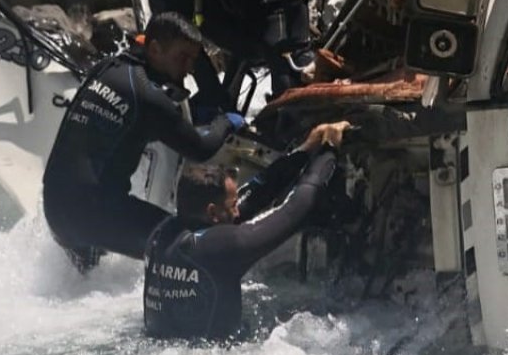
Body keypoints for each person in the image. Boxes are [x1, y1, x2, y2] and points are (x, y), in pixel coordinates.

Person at [42, 12, 246, 272]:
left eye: (193, 60)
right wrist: (225, 122)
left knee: (85, 286)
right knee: (188, 245)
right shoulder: (148, 97)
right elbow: (200, 148)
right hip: (92, 213)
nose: (189, 68)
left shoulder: (108, 68)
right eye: (182, 57)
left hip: (56, 208)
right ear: (154, 49)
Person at [143, 121, 352, 342]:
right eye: (232, 206)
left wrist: (306, 149)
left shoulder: (161, 234)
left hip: (165, 351)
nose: (237, 213)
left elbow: (253, 195)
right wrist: (329, 150)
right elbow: (296, 208)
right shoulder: (220, 248)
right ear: (212, 212)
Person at [147, 0, 315, 112]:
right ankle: (214, 102)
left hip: (269, 16)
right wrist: (212, 95)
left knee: (288, 89)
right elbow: (186, 46)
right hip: (234, 34)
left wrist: (300, 45)